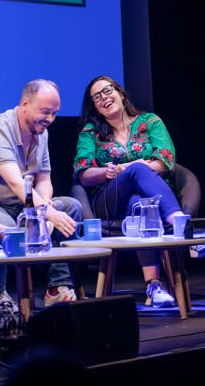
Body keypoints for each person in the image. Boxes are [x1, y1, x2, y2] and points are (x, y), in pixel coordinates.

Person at [0, 79, 83, 310]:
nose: (50, 119)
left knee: (71, 206)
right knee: (3, 222)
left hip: (21, 204)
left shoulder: (41, 131)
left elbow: (43, 179)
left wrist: (44, 208)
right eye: (45, 112)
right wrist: (46, 212)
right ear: (25, 104)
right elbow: (15, 182)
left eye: (54, 113)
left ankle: (58, 287)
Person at [73, 76, 189, 307]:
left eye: (108, 91)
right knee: (137, 172)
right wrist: (110, 172)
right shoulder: (91, 132)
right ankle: (182, 226)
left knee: (139, 202)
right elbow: (82, 173)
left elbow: (165, 159)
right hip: (108, 199)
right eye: (97, 97)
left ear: (121, 93)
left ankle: (154, 285)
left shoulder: (150, 121)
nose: (104, 98)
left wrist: (135, 169)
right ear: (94, 107)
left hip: (149, 199)